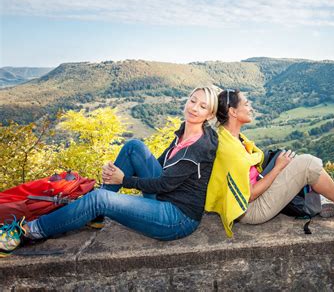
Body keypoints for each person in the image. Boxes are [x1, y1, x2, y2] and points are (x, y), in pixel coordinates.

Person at [0, 86, 218, 257]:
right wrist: (120, 173)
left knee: (100, 198)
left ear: (209, 115)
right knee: (134, 147)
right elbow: (160, 166)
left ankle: (29, 230)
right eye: (192, 101)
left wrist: (125, 179)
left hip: (177, 218)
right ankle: (97, 214)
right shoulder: (185, 132)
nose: (194, 108)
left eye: (202, 106)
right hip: (165, 198)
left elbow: (165, 184)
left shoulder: (199, 146)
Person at [205, 89, 334, 237]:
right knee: (307, 164)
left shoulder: (229, 136)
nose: (250, 107)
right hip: (250, 210)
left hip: (251, 202)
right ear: (233, 112)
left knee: (292, 161)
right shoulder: (230, 150)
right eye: (246, 104)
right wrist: (278, 167)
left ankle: (323, 200)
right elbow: (249, 195)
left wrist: (280, 165)